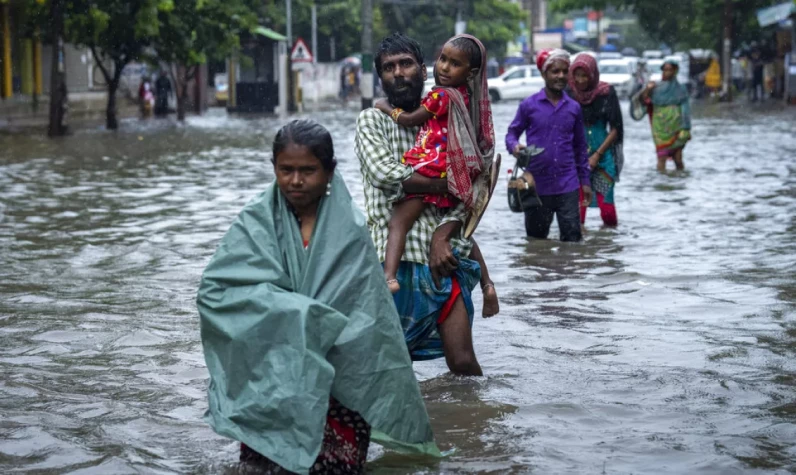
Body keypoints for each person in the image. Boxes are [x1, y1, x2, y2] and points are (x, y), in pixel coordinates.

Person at [197, 119, 440, 474]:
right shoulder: (255, 222)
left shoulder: (350, 230)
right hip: (275, 372)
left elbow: (366, 314)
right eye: (286, 170)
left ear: (329, 171)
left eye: (308, 170)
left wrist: (314, 321)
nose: (296, 181)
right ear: (274, 169)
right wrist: (300, 314)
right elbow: (216, 291)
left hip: (340, 378)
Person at [355, 33, 497, 376]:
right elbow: (388, 176)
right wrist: (449, 183)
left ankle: (470, 426)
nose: (399, 73)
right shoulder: (372, 120)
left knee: (464, 364)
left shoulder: (452, 114)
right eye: (389, 68)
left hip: (447, 257)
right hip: (397, 264)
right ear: (380, 76)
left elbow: (477, 187)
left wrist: (442, 235)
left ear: (423, 68)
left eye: (406, 64)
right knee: (391, 367)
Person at [505, 49, 592, 242]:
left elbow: (580, 148)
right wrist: (515, 147)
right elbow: (512, 134)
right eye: (555, 71)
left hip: (567, 185)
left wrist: (585, 182)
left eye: (564, 72)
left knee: (572, 242)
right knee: (536, 243)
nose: (560, 76)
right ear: (544, 74)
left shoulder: (574, 108)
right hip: (536, 186)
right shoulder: (529, 105)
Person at [567, 54, 624, 228]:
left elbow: (616, 128)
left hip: (604, 157)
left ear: (593, 75)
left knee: (608, 213)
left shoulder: (606, 93)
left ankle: (606, 246)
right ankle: (580, 253)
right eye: (576, 75)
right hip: (575, 159)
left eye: (584, 75)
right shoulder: (568, 93)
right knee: (578, 215)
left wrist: (597, 154)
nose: (580, 80)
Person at [639, 59, 691, 172]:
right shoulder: (656, 87)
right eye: (665, 69)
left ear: (675, 71)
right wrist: (648, 89)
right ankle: (662, 182)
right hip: (660, 128)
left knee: (678, 159)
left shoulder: (680, 89)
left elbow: (686, 108)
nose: (667, 72)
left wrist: (686, 127)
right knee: (661, 158)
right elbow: (643, 102)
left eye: (670, 70)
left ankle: (678, 182)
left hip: (676, 127)